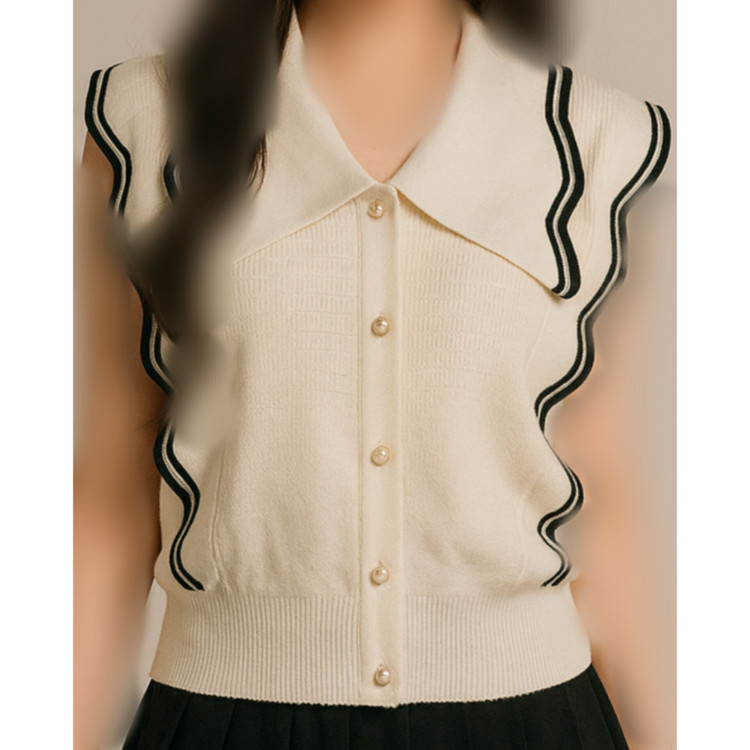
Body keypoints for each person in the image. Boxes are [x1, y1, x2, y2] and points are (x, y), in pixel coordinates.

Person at [74, 0, 673, 748]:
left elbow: (605, 501)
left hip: (535, 722)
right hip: (222, 721)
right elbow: (110, 495)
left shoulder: (599, 144)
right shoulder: (143, 122)